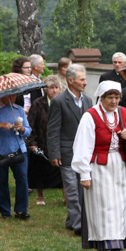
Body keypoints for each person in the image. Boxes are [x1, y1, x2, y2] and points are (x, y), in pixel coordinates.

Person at [71, 81, 126, 251]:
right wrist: (84, 173)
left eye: (117, 97)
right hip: (98, 167)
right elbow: (82, 145)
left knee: (118, 206)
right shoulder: (90, 116)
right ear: (102, 97)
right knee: (102, 207)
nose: (114, 101)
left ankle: (112, 247)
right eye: (110, 97)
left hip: (118, 165)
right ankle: (111, 250)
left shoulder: (123, 113)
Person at [48, 64, 93, 235]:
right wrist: (54, 153)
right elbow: (53, 130)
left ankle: (71, 220)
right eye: (82, 80)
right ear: (71, 80)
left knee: (82, 189)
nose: (85, 83)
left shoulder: (88, 100)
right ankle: (78, 225)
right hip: (66, 153)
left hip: (85, 154)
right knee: (72, 190)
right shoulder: (59, 101)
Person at [27, 75, 64, 206]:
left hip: (59, 142)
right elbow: (30, 124)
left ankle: (66, 196)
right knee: (39, 170)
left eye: (56, 87)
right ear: (45, 89)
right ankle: (40, 195)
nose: (54, 90)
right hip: (41, 141)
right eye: (51, 88)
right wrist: (32, 143)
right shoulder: (38, 103)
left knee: (62, 171)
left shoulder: (63, 102)